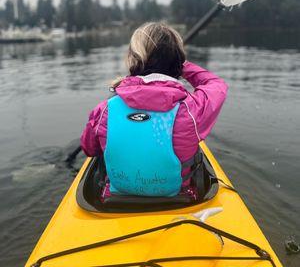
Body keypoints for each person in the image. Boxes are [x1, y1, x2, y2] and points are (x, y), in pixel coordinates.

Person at [81, 22, 228, 198]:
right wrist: (183, 66)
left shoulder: (104, 110)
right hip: (177, 198)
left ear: (133, 59)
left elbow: (90, 150)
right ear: (177, 60)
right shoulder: (191, 111)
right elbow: (216, 84)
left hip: (117, 199)